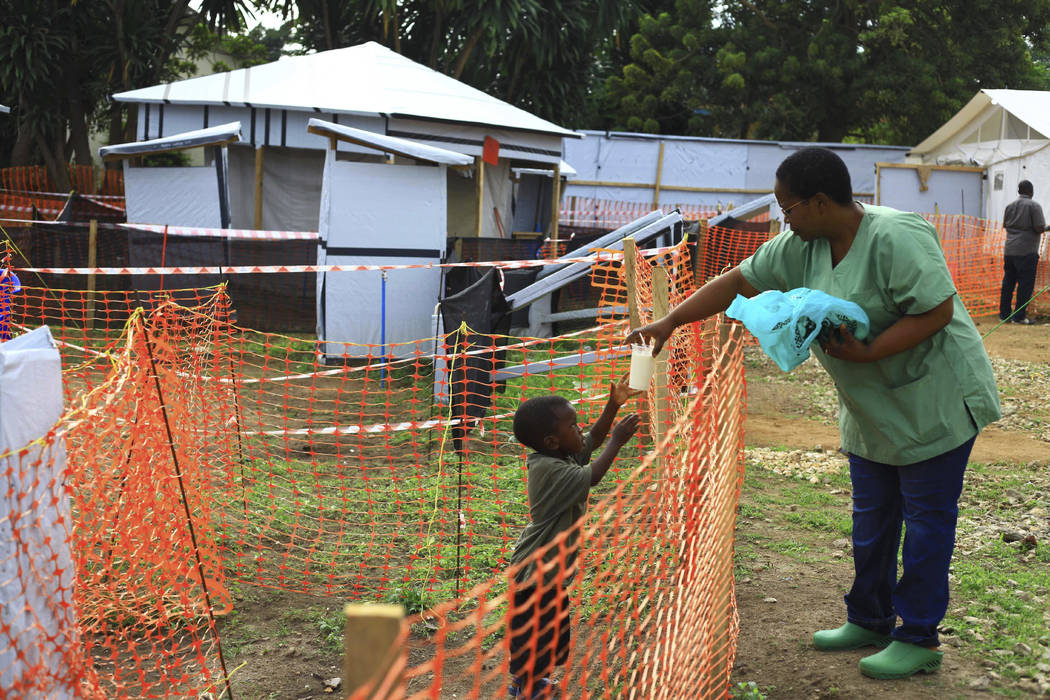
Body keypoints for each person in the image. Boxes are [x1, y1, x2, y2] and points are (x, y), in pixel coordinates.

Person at [627, 147, 1000, 681]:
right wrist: (669, 323)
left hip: (933, 401)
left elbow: (938, 310)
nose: (784, 218)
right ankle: (869, 618)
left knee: (925, 524)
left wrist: (869, 352)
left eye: (788, 207)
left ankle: (917, 635)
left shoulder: (896, 236)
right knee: (872, 520)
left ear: (821, 202)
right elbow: (737, 282)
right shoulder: (802, 246)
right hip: (872, 409)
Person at [507, 376, 640, 698]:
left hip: (551, 574)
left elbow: (592, 438)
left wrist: (614, 403)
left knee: (552, 635)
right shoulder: (549, 470)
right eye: (573, 426)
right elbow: (593, 475)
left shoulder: (559, 455)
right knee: (533, 637)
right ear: (552, 441)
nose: (580, 430)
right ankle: (524, 687)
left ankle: (533, 682)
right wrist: (618, 441)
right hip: (534, 573)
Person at [1000, 179, 1047, 324]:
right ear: (1031, 192)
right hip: (1027, 251)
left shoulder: (1009, 206)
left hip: (1009, 251)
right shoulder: (1034, 206)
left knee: (1008, 283)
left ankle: (1004, 315)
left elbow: (1005, 225)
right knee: (1025, 285)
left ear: (1019, 191)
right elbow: (1039, 227)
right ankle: (1019, 317)